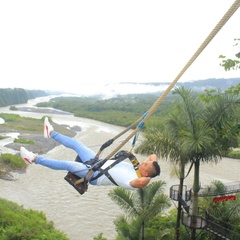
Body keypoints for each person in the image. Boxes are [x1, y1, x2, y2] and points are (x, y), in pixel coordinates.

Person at [20, 117, 160, 190]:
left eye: (145, 164)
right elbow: (153, 156)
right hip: (97, 162)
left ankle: (33, 159)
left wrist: (148, 175)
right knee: (77, 144)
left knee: (67, 164)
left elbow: (143, 181)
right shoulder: (136, 168)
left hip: (94, 175)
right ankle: (51, 133)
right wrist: (148, 165)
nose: (143, 161)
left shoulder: (133, 181)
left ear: (146, 173)